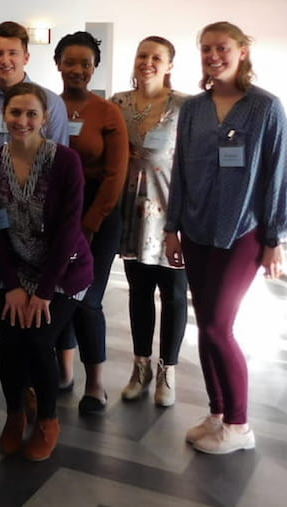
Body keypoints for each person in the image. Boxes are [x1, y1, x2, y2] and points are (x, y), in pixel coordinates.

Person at [165, 22, 286, 455]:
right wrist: (171, 228)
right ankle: (217, 412)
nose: (213, 55)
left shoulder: (266, 108)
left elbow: (277, 175)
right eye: (206, 49)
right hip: (195, 230)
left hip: (243, 232)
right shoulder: (194, 108)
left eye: (222, 48)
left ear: (242, 51)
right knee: (207, 326)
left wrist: (275, 238)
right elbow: (178, 170)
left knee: (219, 326)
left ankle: (239, 423)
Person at [0, 21, 69, 409]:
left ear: (26, 56)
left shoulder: (52, 102)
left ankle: (36, 387)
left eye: (12, 53)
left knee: (34, 314)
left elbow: (59, 167)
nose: (5, 60)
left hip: (39, 235)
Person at [0, 83, 93, 462]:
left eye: (31, 114)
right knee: (9, 345)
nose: (22, 121)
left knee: (38, 340)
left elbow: (68, 230)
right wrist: (12, 285)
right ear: (4, 116)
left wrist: (43, 292)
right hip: (14, 269)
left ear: (45, 119)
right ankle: (15, 413)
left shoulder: (65, 161)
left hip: (63, 273)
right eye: (15, 113)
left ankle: (47, 420)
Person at [52, 32, 130, 414]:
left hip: (98, 215)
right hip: (59, 213)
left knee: (88, 299)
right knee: (60, 293)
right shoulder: (49, 106)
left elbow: (116, 174)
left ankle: (96, 384)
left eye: (85, 63)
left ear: (94, 67)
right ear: (58, 64)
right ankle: (64, 374)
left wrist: (90, 223)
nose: (77, 70)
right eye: (70, 62)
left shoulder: (108, 111)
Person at [112, 36, 190, 407]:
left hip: (172, 215)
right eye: (142, 54)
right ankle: (140, 366)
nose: (147, 62)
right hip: (131, 213)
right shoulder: (119, 103)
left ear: (169, 65)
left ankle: (167, 371)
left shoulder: (185, 107)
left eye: (156, 57)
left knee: (173, 296)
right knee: (139, 293)